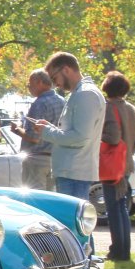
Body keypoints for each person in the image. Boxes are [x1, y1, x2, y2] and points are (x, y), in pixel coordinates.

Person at [31, 52, 102, 200]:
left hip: (74, 173)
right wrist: (50, 127)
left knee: (71, 215)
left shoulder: (85, 94)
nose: (54, 84)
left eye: (54, 78)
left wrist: (47, 132)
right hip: (71, 172)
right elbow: (75, 132)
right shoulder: (80, 93)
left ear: (66, 69)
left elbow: (80, 137)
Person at [100, 72, 135, 262]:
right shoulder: (133, 109)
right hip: (126, 165)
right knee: (122, 208)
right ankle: (123, 249)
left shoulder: (108, 107)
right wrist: (128, 152)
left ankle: (118, 250)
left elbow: (112, 137)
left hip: (112, 165)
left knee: (114, 209)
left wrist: (97, 137)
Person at [8, 68, 64, 191]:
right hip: (55, 158)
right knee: (49, 196)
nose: (28, 87)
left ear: (39, 82)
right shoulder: (62, 101)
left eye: (30, 84)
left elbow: (34, 137)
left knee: (34, 196)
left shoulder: (39, 103)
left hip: (37, 158)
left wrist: (17, 129)